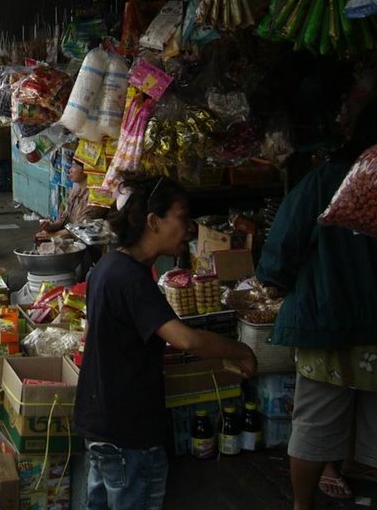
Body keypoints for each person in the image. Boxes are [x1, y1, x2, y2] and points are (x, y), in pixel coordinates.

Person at [256, 99, 377, 510]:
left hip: (327, 325)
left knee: (314, 426)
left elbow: (282, 246)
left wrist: (273, 282)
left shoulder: (327, 179)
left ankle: (301, 506)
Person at [75, 175, 257, 510]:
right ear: (153, 222)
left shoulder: (108, 266)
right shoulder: (132, 279)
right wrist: (241, 350)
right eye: (183, 217)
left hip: (100, 423)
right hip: (129, 430)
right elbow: (185, 338)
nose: (189, 229)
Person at [37, 158, 92, 240]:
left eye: (74, 166)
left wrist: (55, 235)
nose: (70, 170)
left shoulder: (94, 198)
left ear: (86, 169)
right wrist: (50, 226)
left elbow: (82, 228)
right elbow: (63, 219)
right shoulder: (74, 192)